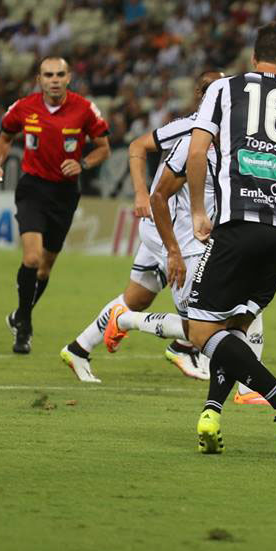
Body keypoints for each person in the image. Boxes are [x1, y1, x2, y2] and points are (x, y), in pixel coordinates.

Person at [184, 22, 276, 458]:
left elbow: (197, 152)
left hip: (239, 227)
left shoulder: (223, 90)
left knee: (200, 330)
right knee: (236, 327)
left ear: (253, 57)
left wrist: (197, 211)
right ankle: (211, 411)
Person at [60, 70, 223, 382]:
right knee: (200, 316)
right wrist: (139, 193)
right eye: (207, 89)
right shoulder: (189, 127)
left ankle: (79, 348)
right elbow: (136, 146)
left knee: (138, 295)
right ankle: (182, 347)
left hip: (169, 229)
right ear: (200, 96)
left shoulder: (225, 132)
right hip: (174, 232)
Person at [0, 56, 110, 354]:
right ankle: (25, 325)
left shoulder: (84, 109)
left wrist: (82, 163)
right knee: (31, 258)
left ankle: (19, 315)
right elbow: (4, 138)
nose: (53, 79)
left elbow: (103, 148)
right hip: (32, 188)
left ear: (68, 78)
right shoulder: (23, 107)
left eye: (59, 74)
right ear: (39, 79)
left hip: (65, 194)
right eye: (47, 75)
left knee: (44, 268)